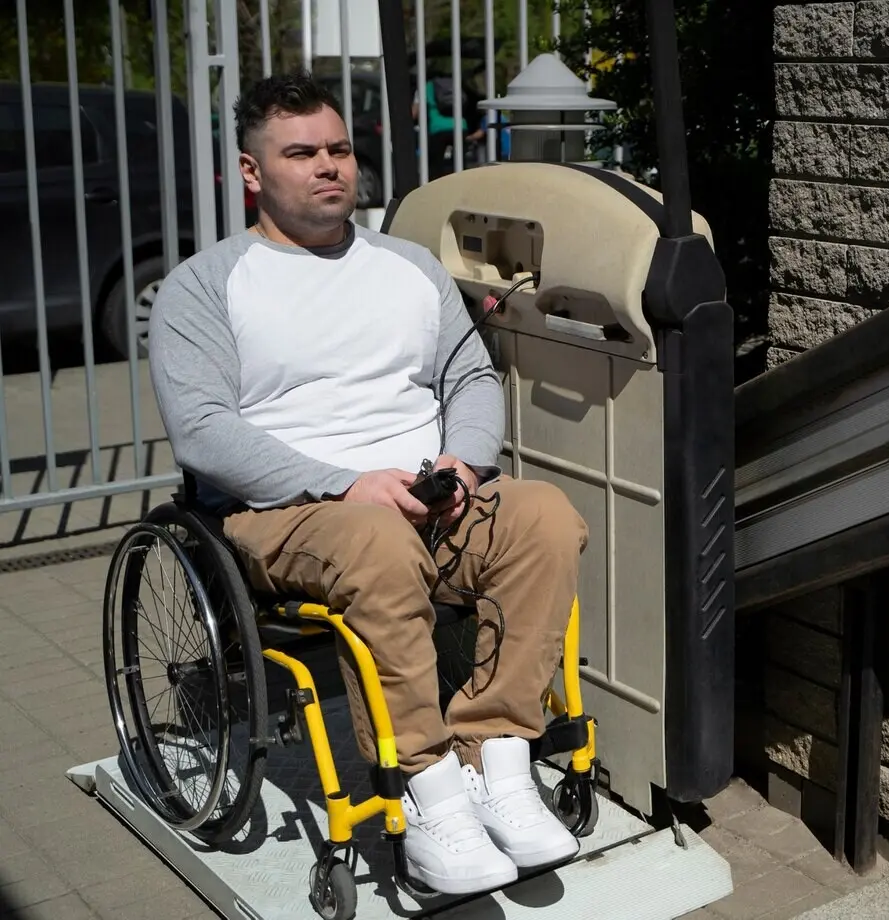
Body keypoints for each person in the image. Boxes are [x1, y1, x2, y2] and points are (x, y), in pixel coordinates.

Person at [146, 72, 588, 896]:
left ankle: (496, 756)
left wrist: (465, 459)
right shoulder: (204, 289)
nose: (329, 166)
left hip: (428, 494)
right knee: (379, 540)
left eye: (340, 148)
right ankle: (426, 796)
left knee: (547, 518)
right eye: (302, 152)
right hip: (287, 511)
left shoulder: (408, 266)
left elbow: (471, 376)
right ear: (252, 174)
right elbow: (205, 435)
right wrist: (347, 484)